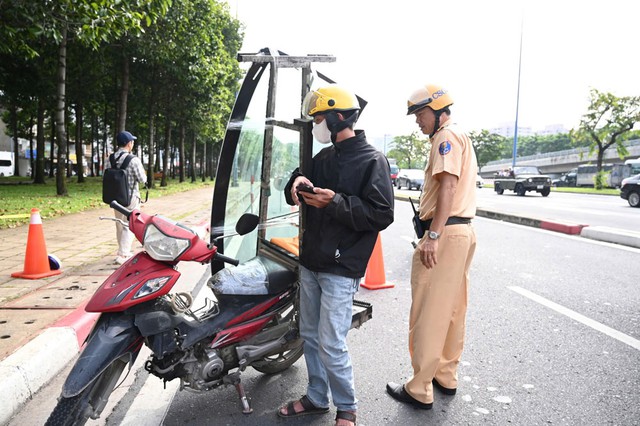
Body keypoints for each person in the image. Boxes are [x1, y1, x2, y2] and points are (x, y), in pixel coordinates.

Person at [277, 84, 394, 426]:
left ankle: (347, 407)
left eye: (317, 119)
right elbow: (295, 186)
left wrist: (335, 202)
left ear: (336, 117)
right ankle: (316, 397)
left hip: (342, 267)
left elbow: (381, 214)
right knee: (310, 335)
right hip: (311, 260)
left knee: (331, 341)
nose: (316, 126)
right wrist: (296, 183)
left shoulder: (373, 160)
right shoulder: (323, 158)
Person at [386, 84, 478, 410]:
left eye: (420, 114)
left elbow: (448, 187)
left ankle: (419, 387)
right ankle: (445, 375)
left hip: (446, 235)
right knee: (453, 309)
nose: (417, 121)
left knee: (428, 312)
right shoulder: (458, 136)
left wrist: (433, 236)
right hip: (462, 232)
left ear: (438, 110)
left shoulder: (446, 138)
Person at [109, 130, 147, 265]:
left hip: (115, 197)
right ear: (129, 143)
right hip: (130, 197)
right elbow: (143, 179)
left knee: (119, 223)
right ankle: (124, 254)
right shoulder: (133, 160)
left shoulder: (111, 158)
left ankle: (121, 251)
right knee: (129, 225)